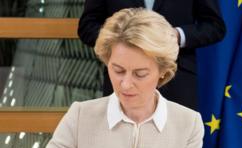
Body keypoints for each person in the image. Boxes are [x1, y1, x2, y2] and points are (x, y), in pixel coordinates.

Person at [22, 8, 204, 148]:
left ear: (162, 72)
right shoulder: (80, 116)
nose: (126, 84)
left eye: (140, 74)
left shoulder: (188, 122)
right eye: (117, 70)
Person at [77, 0, 226, 111]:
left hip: (178, 77)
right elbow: (87, 26)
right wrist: (117, 40)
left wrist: (177, 36)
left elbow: (215, 26)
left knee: (175, 143)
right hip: (123, 78)